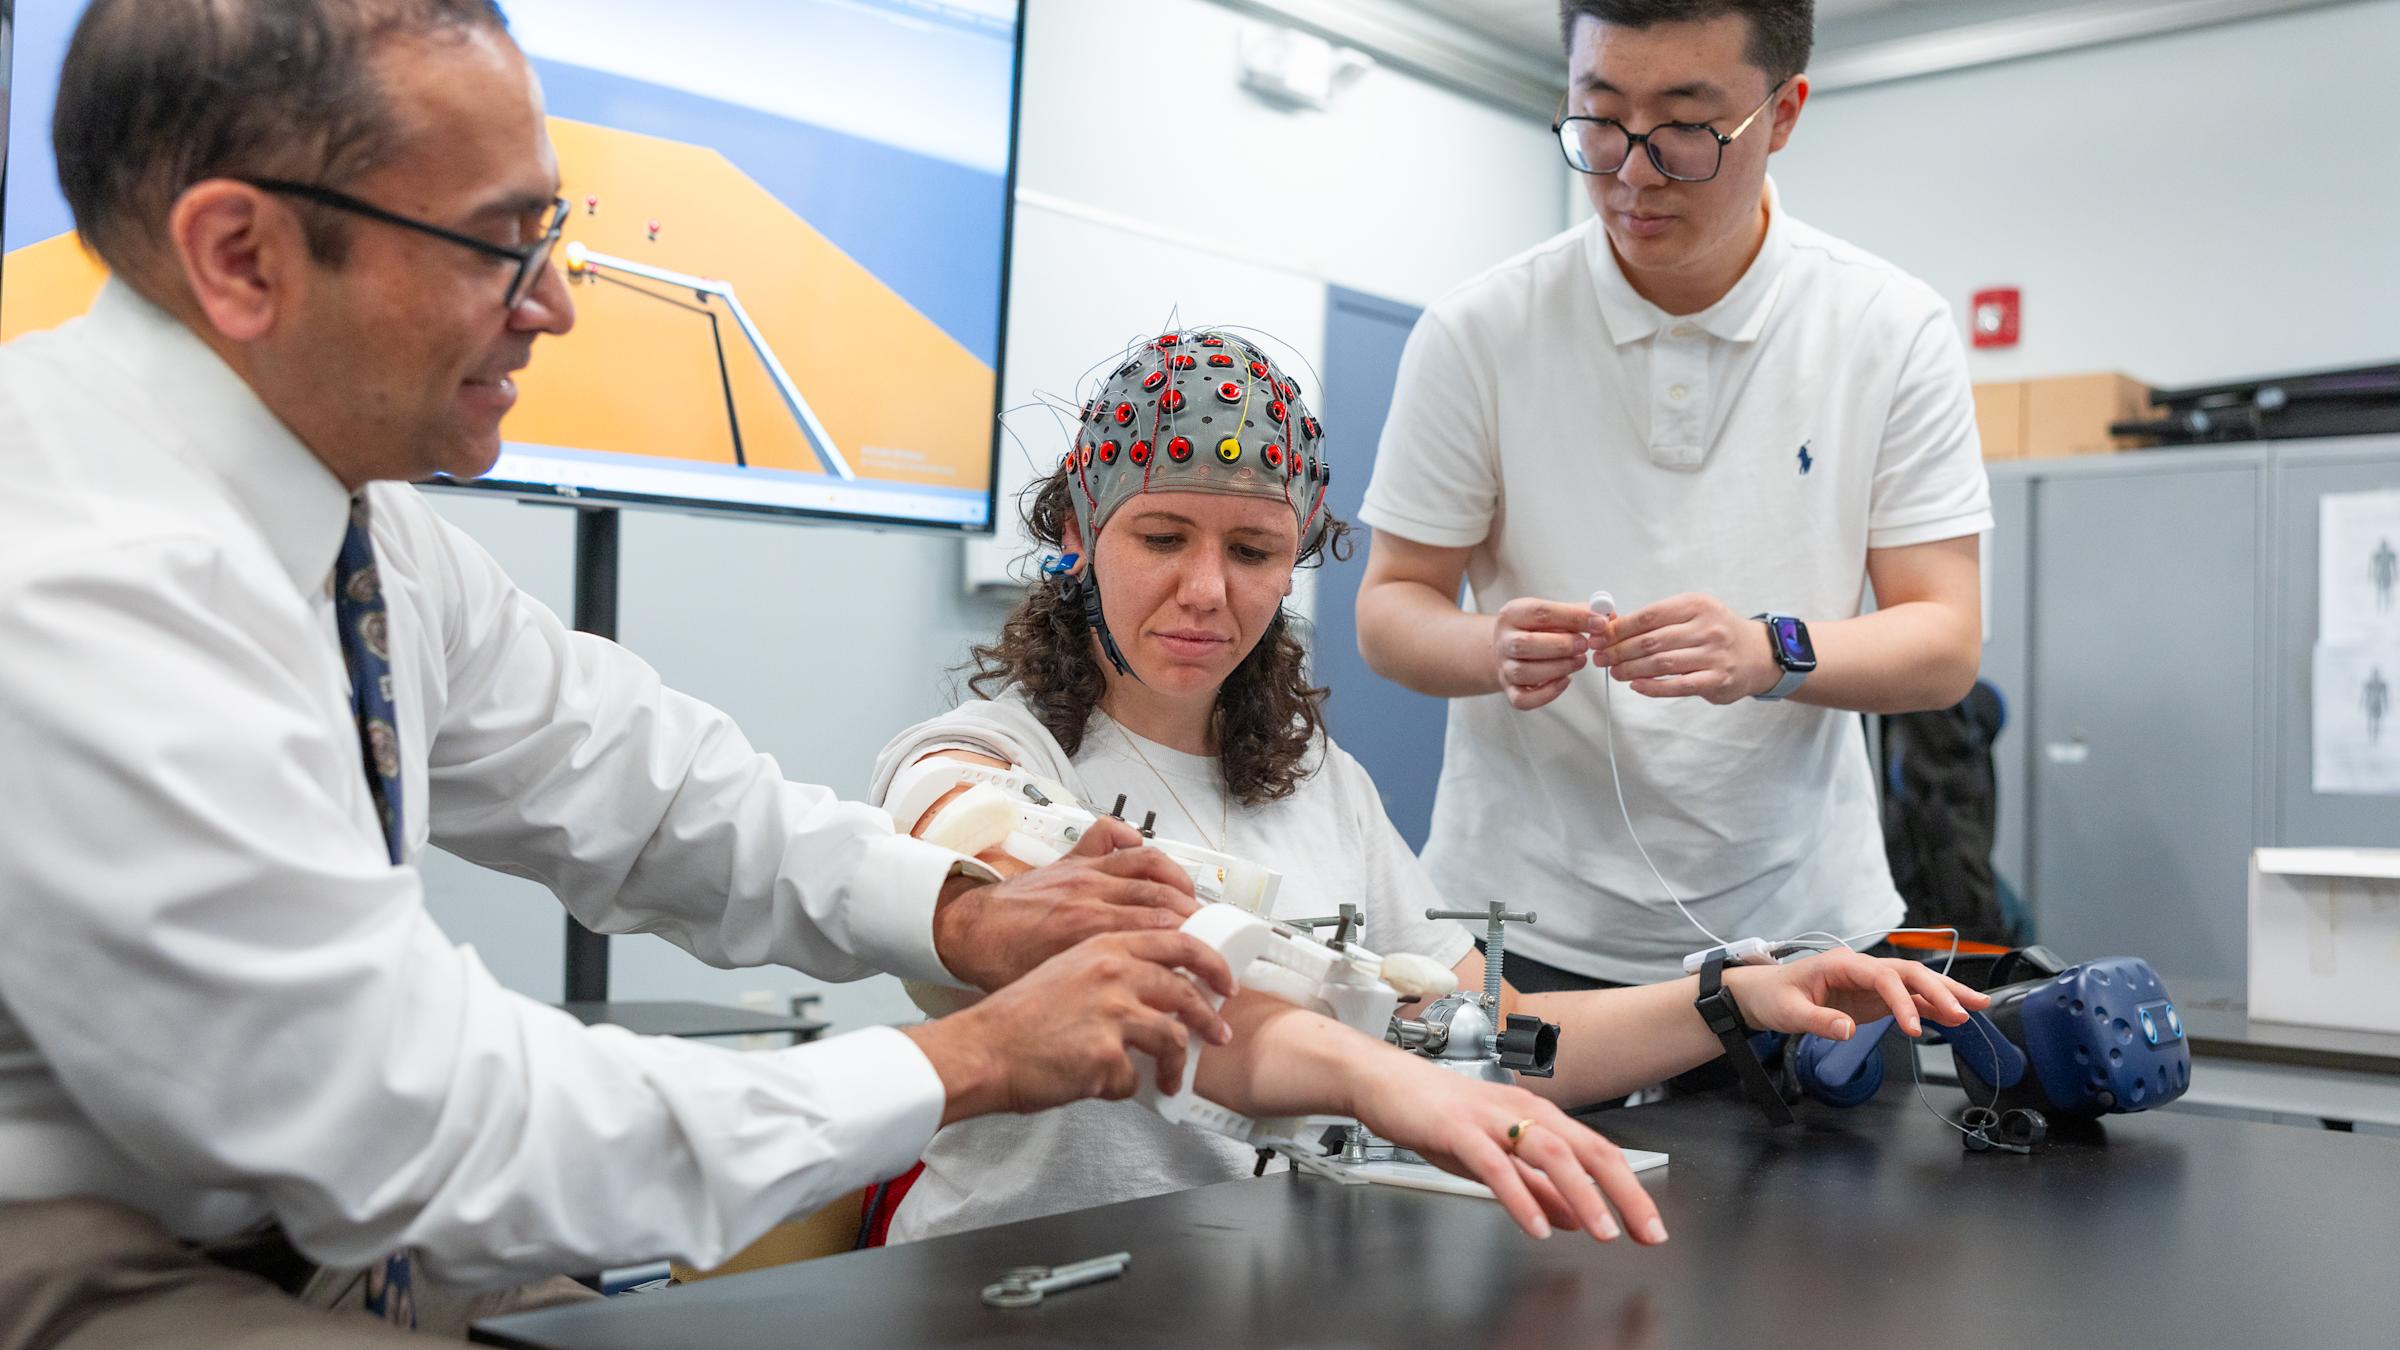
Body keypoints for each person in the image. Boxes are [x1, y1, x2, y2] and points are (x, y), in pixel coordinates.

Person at [0, 4, 1254, 1342]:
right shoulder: (77, 584)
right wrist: (968, 1057)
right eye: (498, 244)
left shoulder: (366, 532)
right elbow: (426, 1125)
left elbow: (638, 785)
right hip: (95, 1245)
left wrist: (959, 910)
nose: (554, 303)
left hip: (330, 1214)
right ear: (242, 256)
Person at [868, 331, 1986, 1244]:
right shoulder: (982, 758)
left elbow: (1486, 1030)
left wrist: (1730, 994)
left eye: (1256, 552)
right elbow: (974, 838)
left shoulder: (1319, 787)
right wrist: (1367, 1048)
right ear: (1076, 532)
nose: (1207, 590)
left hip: (1250, 1291)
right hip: (1018, 1286)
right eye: (1161, 535)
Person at [1350, 0, 1995, 994]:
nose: (1634, 172)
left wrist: (1767, 652)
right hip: (1520, 929)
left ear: (1783, 114)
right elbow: (1391, 610)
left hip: (1804, 927)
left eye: (1688, 128)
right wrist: (1493, 645)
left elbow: (1944, 641)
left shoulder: (1887, 328)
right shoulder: (1479, 331)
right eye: (1600, 118)